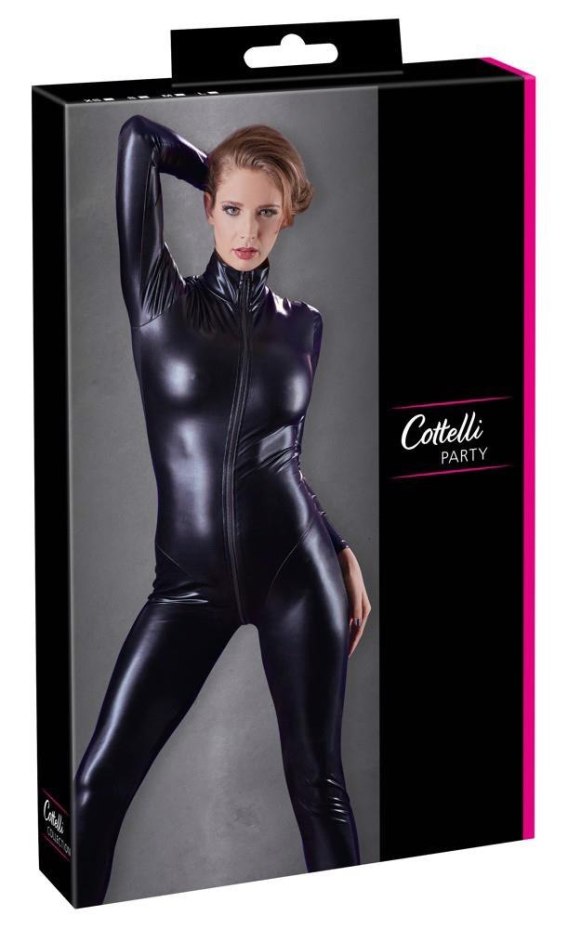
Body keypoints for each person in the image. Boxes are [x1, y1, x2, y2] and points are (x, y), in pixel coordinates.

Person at [73, 114, 372, 907]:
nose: (247, 229)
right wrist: (225, 166)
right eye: (232, 207)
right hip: (188, 589)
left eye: (267, 211)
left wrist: (339, 545)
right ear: (207, 207)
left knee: (319, 787)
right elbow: (138, 138)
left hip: (296, 574)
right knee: (97, 783)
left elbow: (283, 461)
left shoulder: (304, 327)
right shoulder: (158, 303)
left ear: (288, 217)